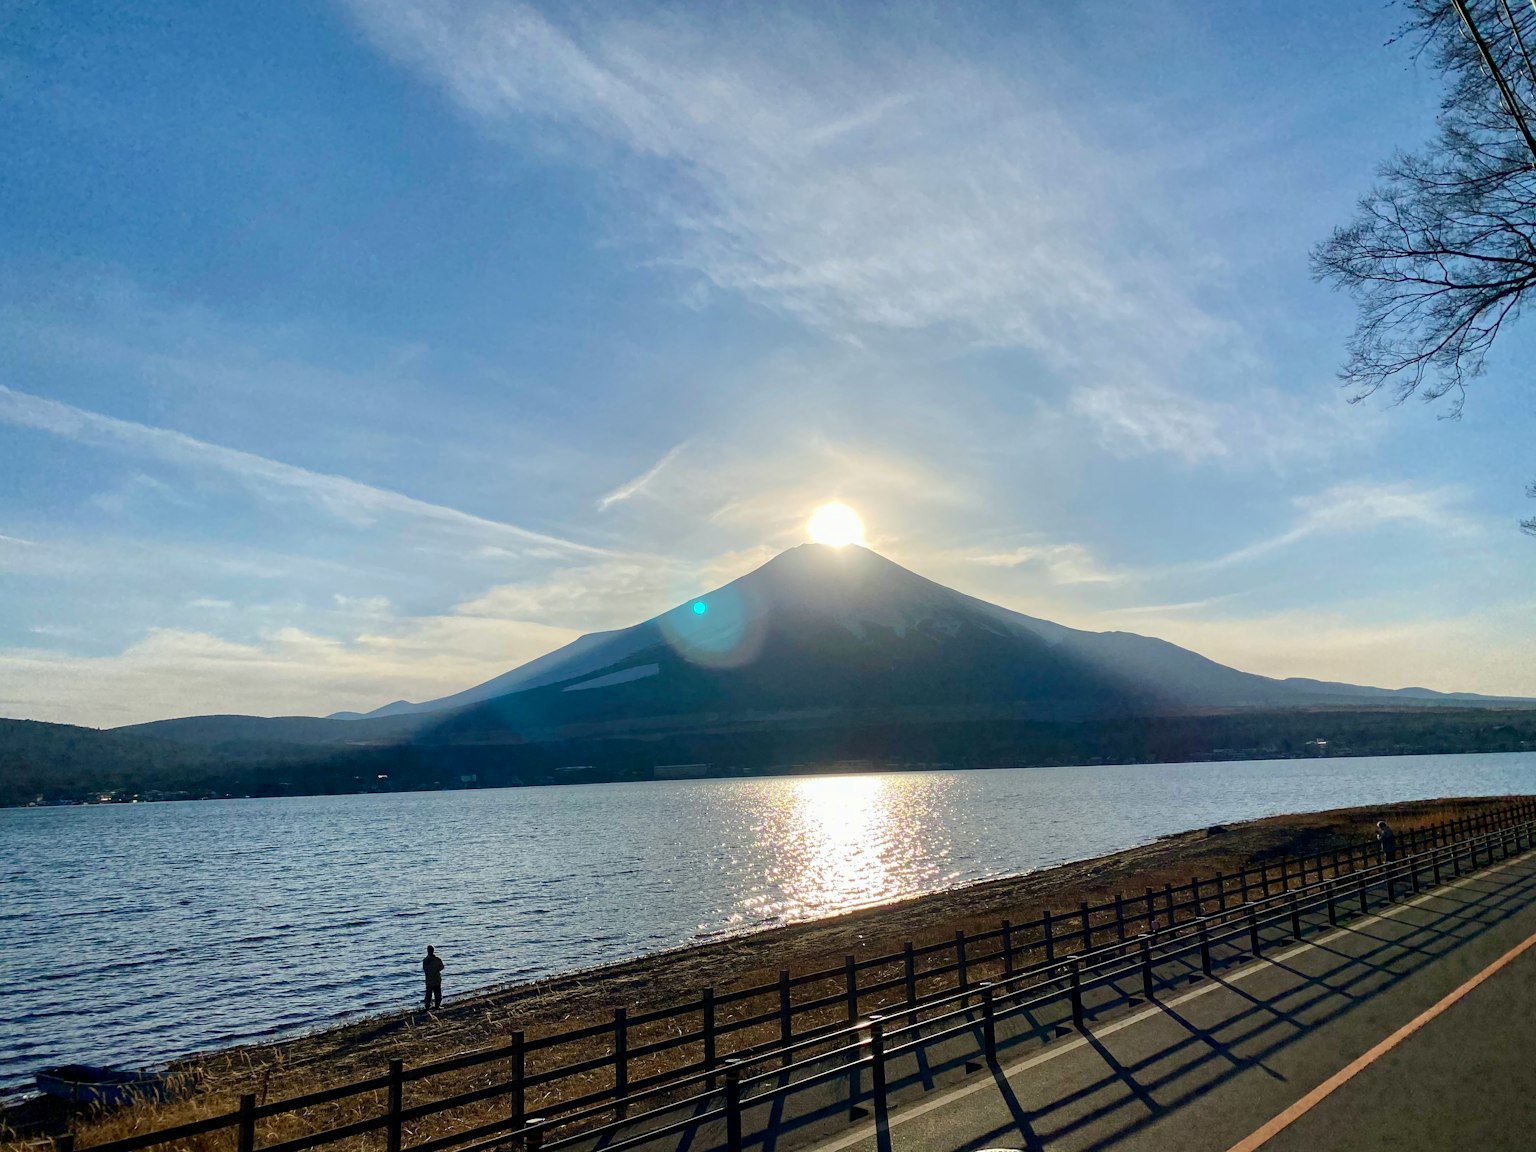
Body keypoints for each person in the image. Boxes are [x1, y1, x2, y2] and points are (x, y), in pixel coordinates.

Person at [423, 946, 445, 1010]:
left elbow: (425, 970)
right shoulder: (437, 959)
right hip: (436, 979)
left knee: (428, 994)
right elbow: (441, 967)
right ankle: (437, 1006)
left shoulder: (425, 960)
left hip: (429, 980)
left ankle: (427, 1006)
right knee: (437, 993)